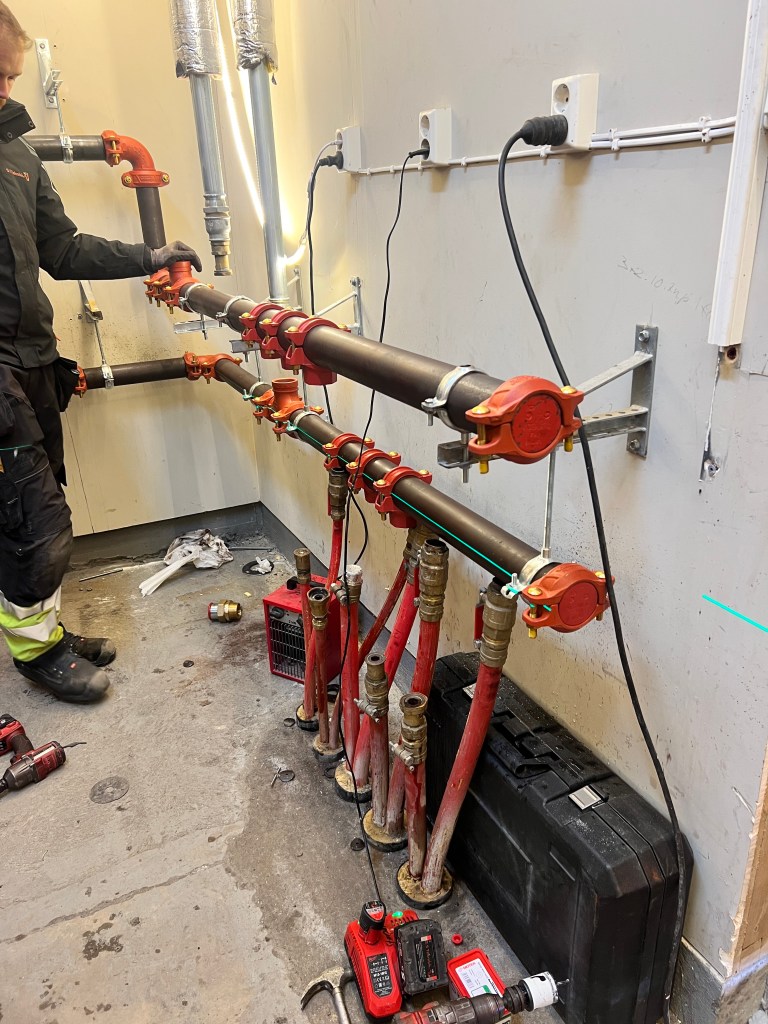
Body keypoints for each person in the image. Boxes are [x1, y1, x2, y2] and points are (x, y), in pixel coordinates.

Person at [0, 2, 201, 702]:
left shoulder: (17, 156)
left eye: (10, 76)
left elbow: (62, 248)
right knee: (33, 521)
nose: (5, 89)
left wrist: (148, 255)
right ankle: (36, 653)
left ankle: (43, 633)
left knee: (37, 502)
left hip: (33, 359)